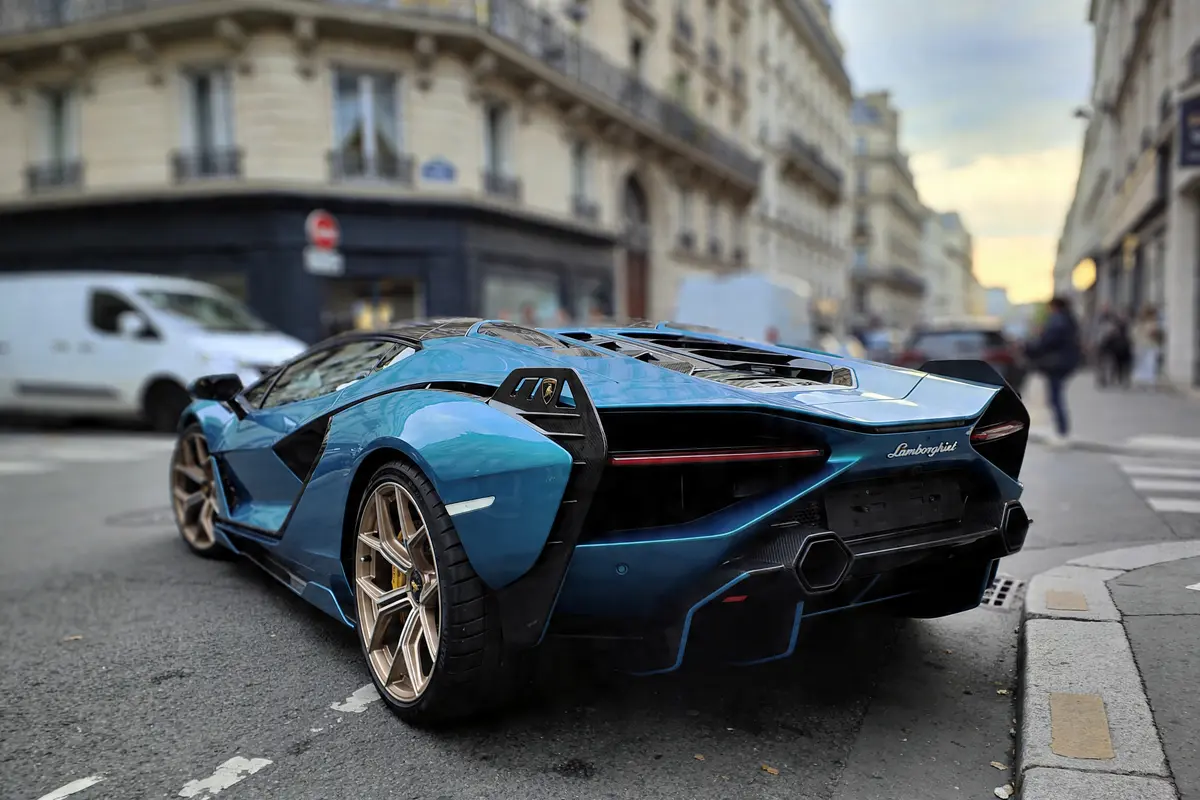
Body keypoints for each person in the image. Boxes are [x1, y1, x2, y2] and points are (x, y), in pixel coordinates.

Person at [1024, 296, 1082, 445]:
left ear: (1054, 307)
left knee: (1055, 397)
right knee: (1055, 396)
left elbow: (1046, 342)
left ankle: (1062, 431)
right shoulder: (1068, 319)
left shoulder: (1057, 321)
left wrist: (1029, 347)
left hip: (1057, 364)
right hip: (1064, 363)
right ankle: (1061, 430)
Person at [1130, 305, 1163, 388]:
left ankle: (1148, 380)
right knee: (1144, 362)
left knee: (1150, 362)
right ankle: (1142, 379)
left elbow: (1157, 334)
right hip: (1144, 345)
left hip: (1150, 345)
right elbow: (1135, 332)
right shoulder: (1142, 322)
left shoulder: (1154, 322)